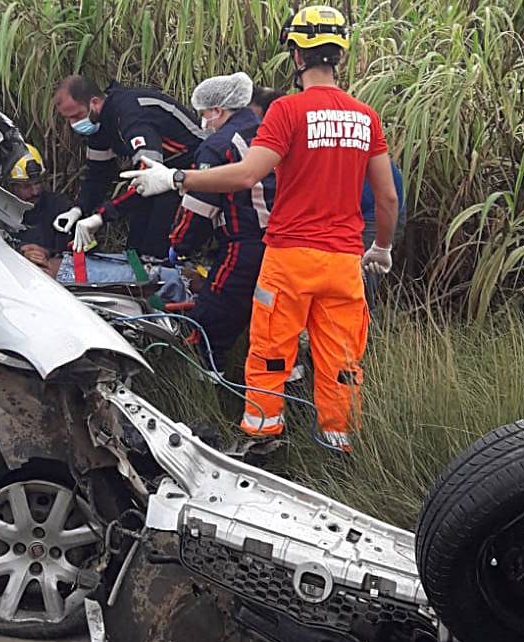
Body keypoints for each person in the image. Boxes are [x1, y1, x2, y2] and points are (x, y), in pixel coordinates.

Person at [121, 5, 399, 453]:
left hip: (289, 257)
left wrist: (175, 178)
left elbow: (246, 175)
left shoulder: (287, 111)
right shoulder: (365, 116)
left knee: (271, 349)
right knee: (341, 358)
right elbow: (387, 198)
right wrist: (381, 248)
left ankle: (263, 435)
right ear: (338, 55)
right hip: (345, 261)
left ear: (297, 55)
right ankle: (337, 441)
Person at [170, 72, 275, 375]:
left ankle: (207, 387)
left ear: (217, 110)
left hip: (245, 245)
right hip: (284, 247)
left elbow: (198, 209)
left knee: (210, 320)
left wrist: (179, 245)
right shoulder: (266, 131)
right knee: (273, 324)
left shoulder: (218, 146)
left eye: (204, 114)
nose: (204, 121)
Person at [52, 75, 205, 259]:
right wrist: (79, 209)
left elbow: (147, 174)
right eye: (68, 119)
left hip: (194, 170)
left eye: (76, 116)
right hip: (163, 174)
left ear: (94, 102)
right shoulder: (100, 124)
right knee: (135, 245)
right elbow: (98, 174)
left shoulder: (130, 114)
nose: (74, 124)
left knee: (154, 246)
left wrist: (101, 216)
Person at [4, 144, 72, 277]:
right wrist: (19, 253)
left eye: (38, 183)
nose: (35, 191)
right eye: (26, 186)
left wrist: (53, 261)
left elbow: (87, 255)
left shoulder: (62, 208)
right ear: (10, 186)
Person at [361, 160, 406, 314]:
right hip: (352, 208)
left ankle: (367, 325)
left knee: (363, 274)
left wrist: (381, 248)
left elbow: (389, 199)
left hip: (379, 211)